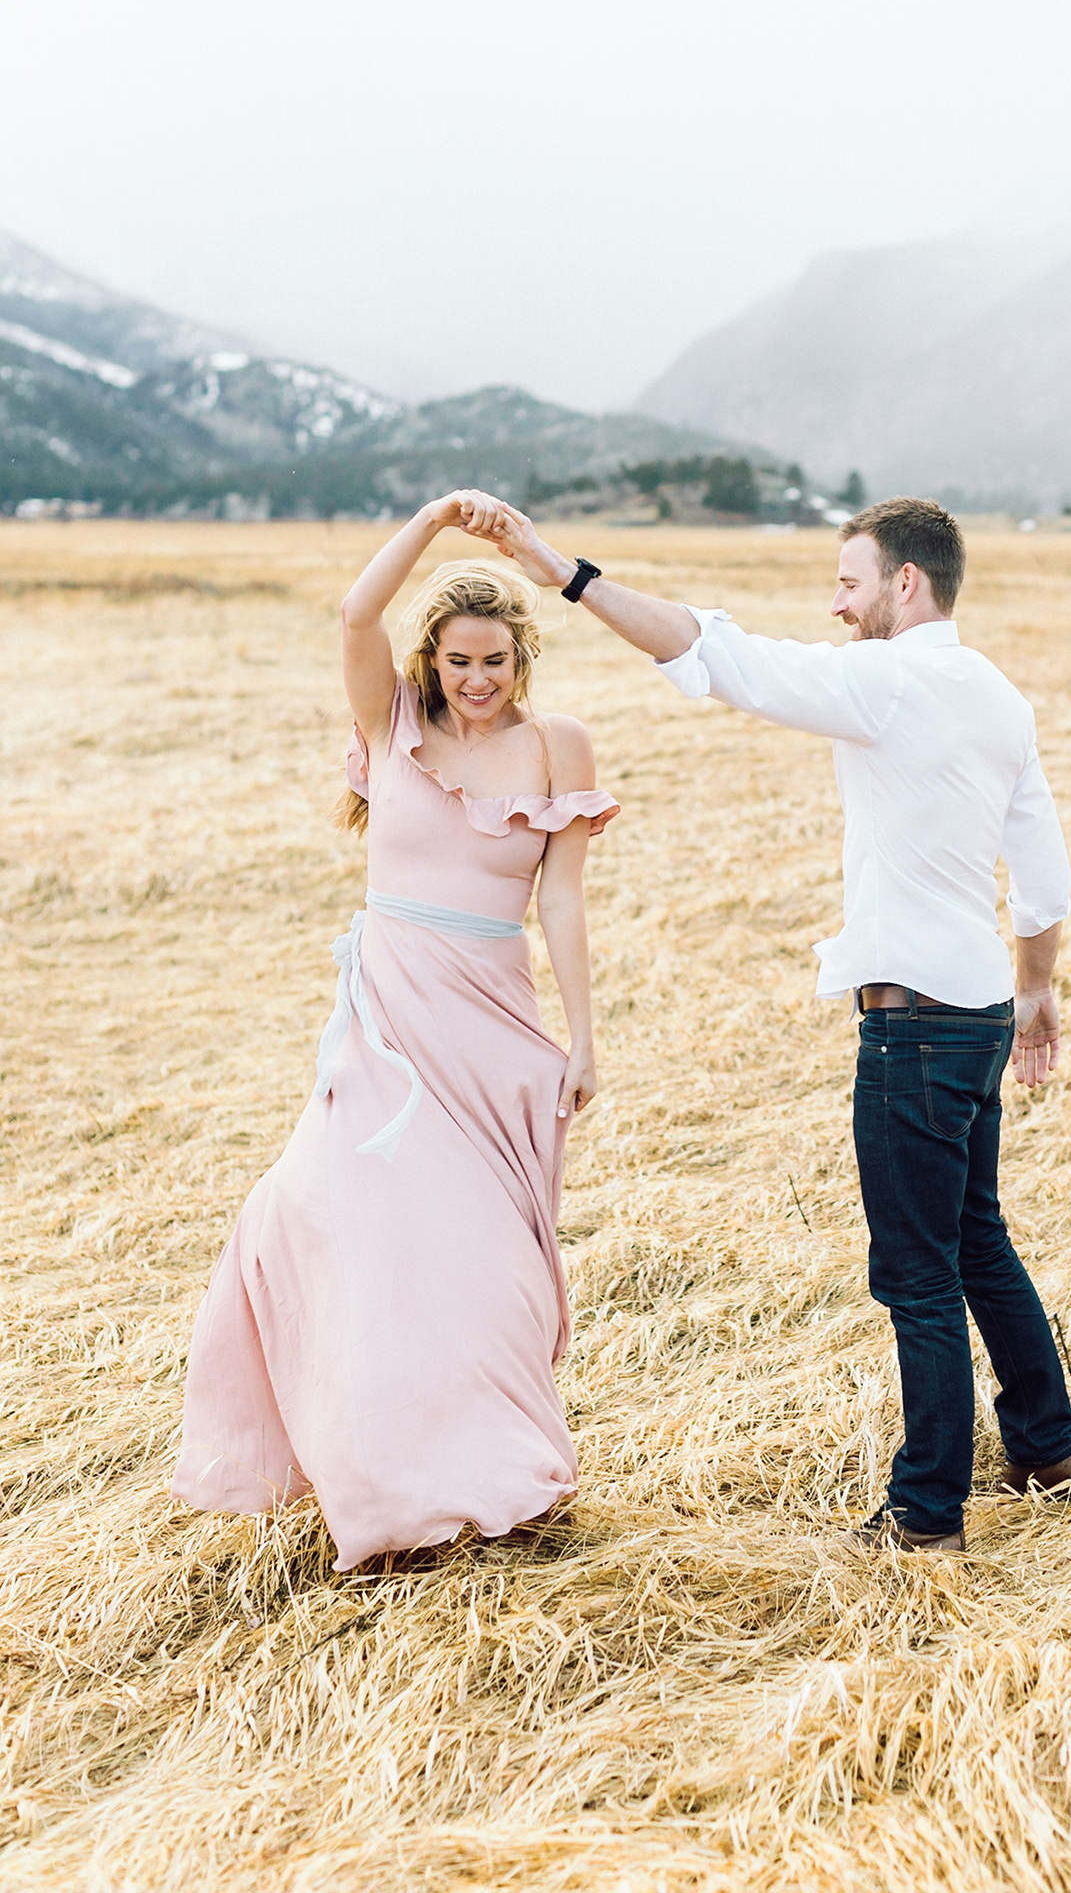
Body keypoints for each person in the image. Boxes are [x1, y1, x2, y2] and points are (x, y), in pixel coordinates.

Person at [467, 490, 1071, 1556]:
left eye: (849, 582)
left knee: (917, 1273)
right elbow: (1041, 881)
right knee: (977, 1240)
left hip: (913, 1020)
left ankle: (926, 1514)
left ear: (905, 582)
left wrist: (564, 575)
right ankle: (1050, 1451)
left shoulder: (885, 682)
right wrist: (1036, 992)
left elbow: (719, 655)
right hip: (981, 1005)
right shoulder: (998, 694)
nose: (837, 604)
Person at [172, 491, 618, 1570]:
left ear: (522, 664)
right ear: (434, 660)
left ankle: (500, 1470)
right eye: (459, 661)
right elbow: (353, 615)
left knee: (488, 1264)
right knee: (335, 1221)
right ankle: (374, 1477)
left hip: (495, 1026)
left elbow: (560, 900)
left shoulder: (559, 748)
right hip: (387, 1018)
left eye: (495, 664)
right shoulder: (393, 726)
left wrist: (584, 1036)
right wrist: (431, 524)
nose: (476, 681)